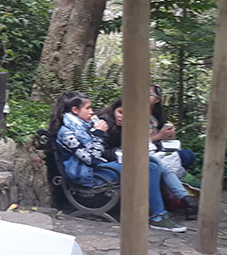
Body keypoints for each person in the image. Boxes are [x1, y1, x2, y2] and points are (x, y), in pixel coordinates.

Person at [51, 91, 187, 233]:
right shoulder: (66, 133)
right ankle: (158, 216)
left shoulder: (82, 126)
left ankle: (162, 209)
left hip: (97, 167)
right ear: (75, 110)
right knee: (149, 168)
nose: (92, 112)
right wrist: (98, 133)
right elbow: (90, 159)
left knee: (150, 161)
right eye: (88, 108)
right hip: (88, 174)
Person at [97, 96, 198, 220]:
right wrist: (125, 150)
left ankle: (185, 200)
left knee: (162, 162)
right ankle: (176, 205)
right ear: (114, 109)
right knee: (153, 166)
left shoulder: (131, 124)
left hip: (125, 158)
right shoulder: (104, 123)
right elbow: (101, 151)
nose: (122, 117)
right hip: (106, 164)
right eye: (120, 112)